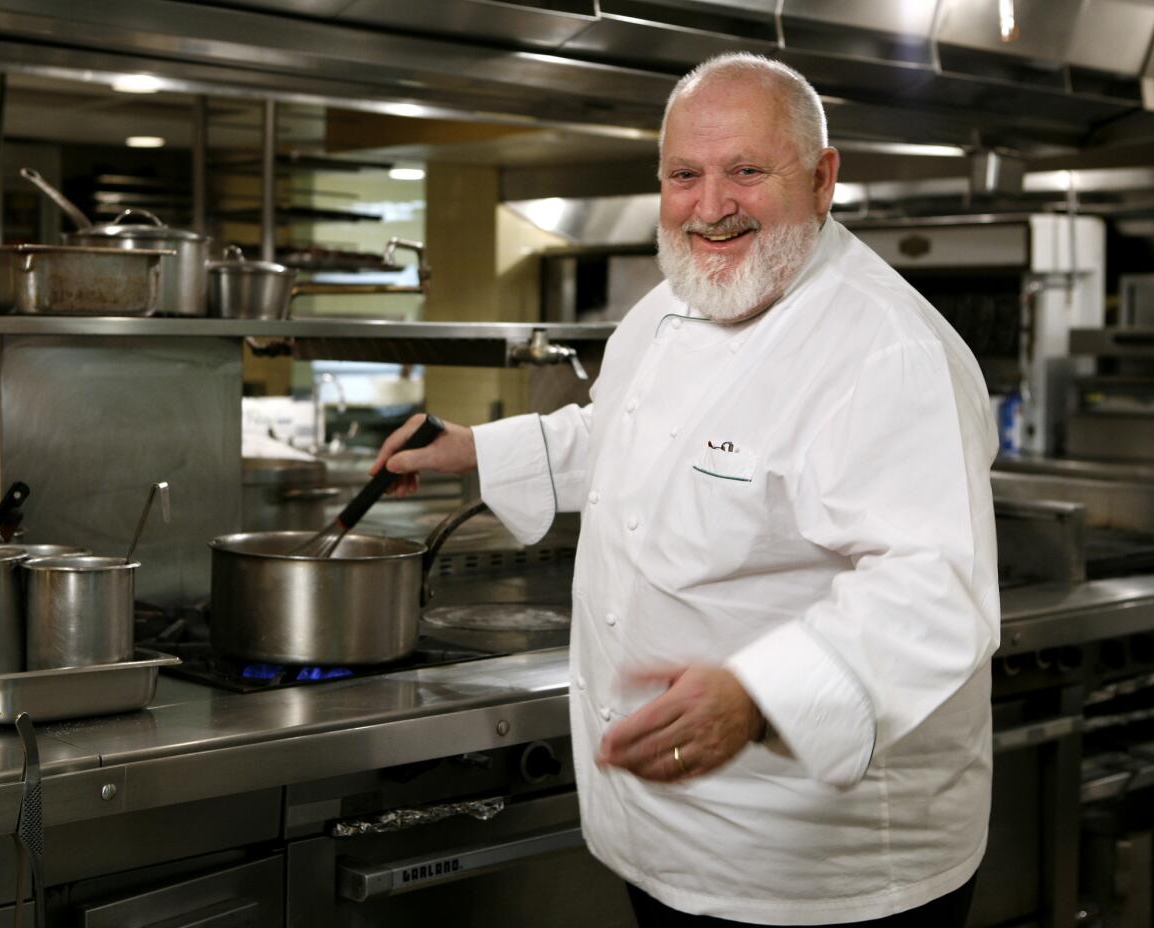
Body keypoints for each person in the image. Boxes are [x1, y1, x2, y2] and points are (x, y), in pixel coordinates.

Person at [371, 52, 1000, 928]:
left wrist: (759, 697)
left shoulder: (888, 350)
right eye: (684, 175)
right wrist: (476, 451)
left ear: (822, 179)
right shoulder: (677, 302)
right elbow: (623, 436)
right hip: (668, 828)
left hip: (814, 871)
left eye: (747, 170)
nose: (711, 207)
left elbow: (935, 590)